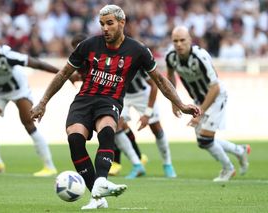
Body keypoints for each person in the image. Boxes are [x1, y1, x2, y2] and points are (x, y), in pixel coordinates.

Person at [31, 5, 200, 210]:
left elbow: (161, 81)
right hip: (84, 99)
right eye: (101, 24)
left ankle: (101, 180)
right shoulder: (88, 45)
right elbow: (63, 74)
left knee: (108, 129)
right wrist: (42, 102)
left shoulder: (138, 50)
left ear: (122, 22)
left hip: (109, 101)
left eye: (109, 23)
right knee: (75, 139)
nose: (105, 28)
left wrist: (180, 104)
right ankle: (97, 196)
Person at [165, 26, 251, 182]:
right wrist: (174, 102)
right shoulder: (171, 57)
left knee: (205, 139)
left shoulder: (200, 56)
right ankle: (239, 150)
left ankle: (228, 169)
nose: (178, 44)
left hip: (216, 96)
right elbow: (170, 78)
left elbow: (215, 86)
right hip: (199, 100)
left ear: (190, 40)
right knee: (203, 142)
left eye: (182, 40)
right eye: (175, 41)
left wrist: (200, 112)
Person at [0, 30, 59, 177]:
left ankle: (49, 166)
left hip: (19, 89)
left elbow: (36, 63)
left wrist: (63, 73)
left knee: (29, 123)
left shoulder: (7, 55)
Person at [71, 33, 146, 180]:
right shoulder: (81, 63)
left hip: (115, 96)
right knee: (118, 127)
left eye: (77, 47)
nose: (76, 51)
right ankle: (134, 160)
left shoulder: (101, 57)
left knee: (116, 127)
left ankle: (136, 162)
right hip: (99, 100)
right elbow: (77, 74)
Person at [110, 69, 177, 179]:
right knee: (115, 125)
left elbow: (154, 86)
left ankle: (167, 164)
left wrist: (147, 113)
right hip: (124, 96)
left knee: (156, 129)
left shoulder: (139, 59)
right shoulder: (115, 59)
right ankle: (137, 165)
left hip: (143, 95)